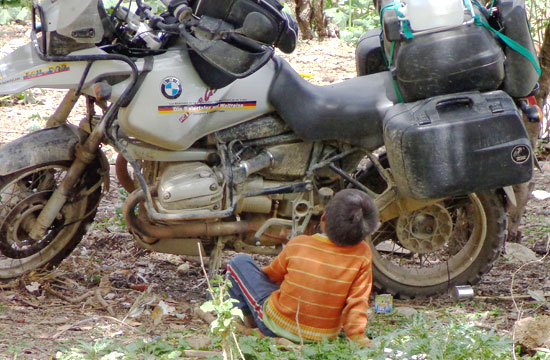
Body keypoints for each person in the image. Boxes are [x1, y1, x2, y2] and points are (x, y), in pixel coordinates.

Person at [226, 189, 379, 346]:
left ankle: (252, 323)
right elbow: (358, 300)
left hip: (278, 325)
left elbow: (272, 276)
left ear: (324, 218)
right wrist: (357, 336)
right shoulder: (363, 253)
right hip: (323, 337)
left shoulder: (299, 243)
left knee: (239, 263)